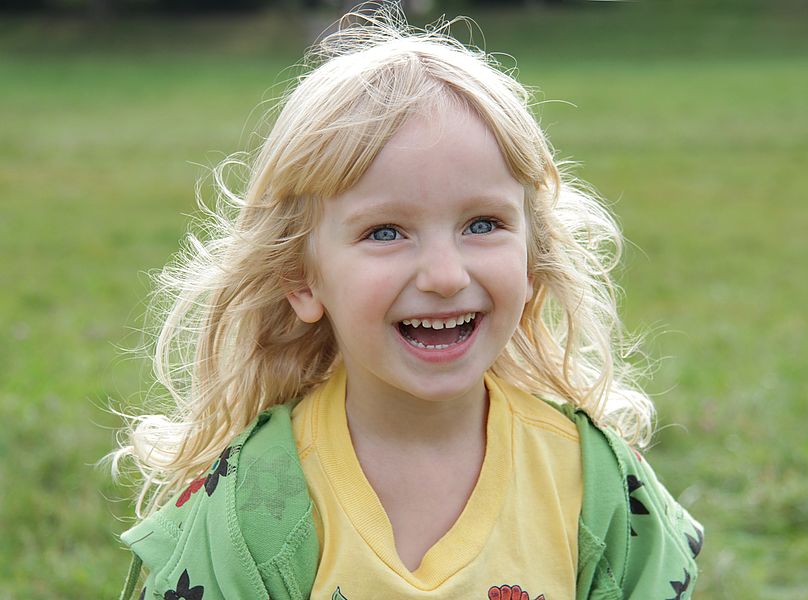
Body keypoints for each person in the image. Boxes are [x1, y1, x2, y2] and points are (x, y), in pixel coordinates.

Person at [113, 8, 702, 600]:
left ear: (533, 258)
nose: (446, 276)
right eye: (386, 232)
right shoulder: (258, 499)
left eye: (483, 223)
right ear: (302, 278)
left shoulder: (591, 482)